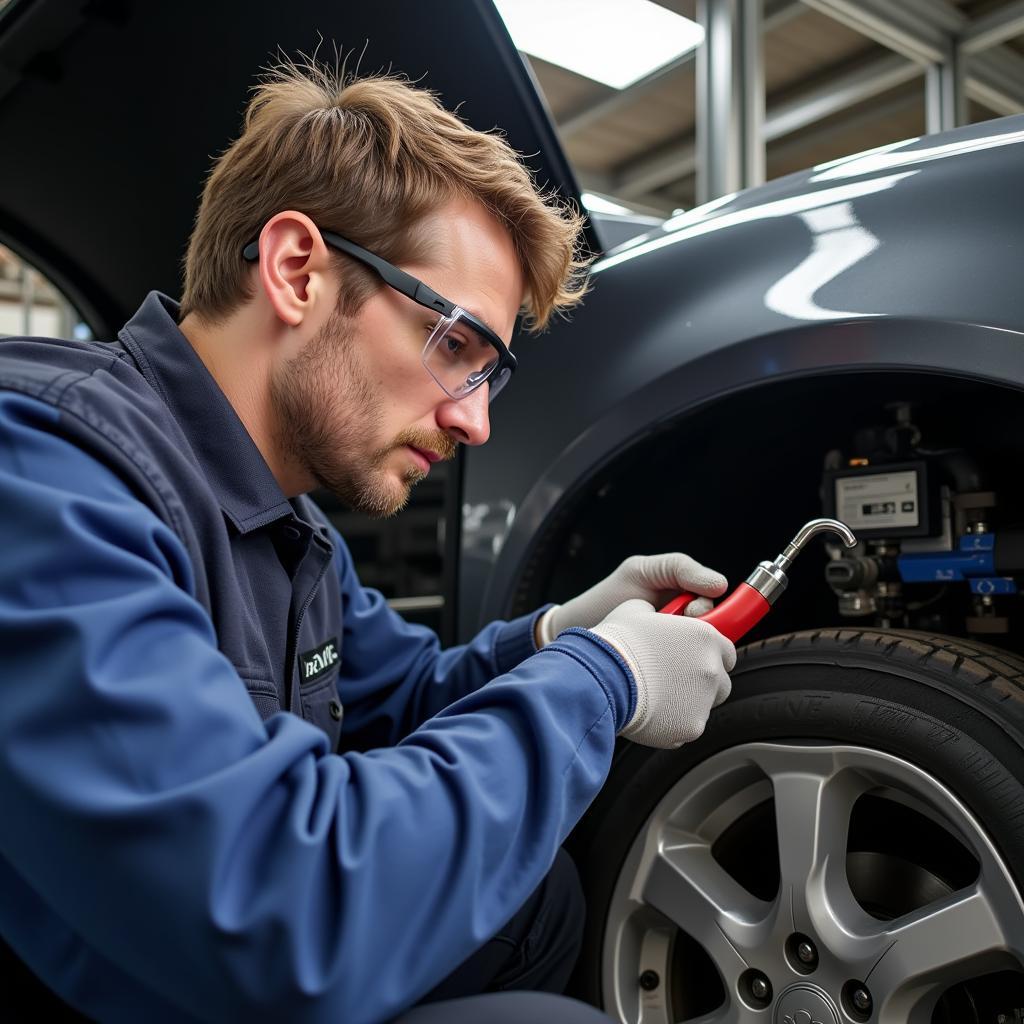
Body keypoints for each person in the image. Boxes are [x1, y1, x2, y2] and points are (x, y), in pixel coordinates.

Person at [0, 57, 735, 1024]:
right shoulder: (47, 479)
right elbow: (276, 909)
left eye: (491, 374)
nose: (474, 423)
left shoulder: (292, 530)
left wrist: (557, 637)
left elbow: (409, 698)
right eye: (457, 346)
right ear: (297, 271)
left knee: (542, 907)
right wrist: (605, 684)